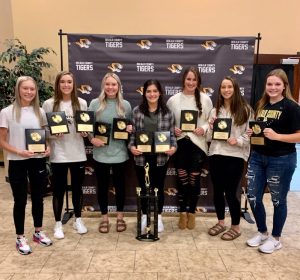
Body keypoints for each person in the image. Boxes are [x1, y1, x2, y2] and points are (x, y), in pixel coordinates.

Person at [246, 68, 300, 253]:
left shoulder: (292, 107)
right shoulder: (262, 105)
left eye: (277, 84)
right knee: (253, 196)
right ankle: (262, 232)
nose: (273, 87)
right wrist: (252, 133)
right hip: (257, 157)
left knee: (278, 200)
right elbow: (261, 130)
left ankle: (276, 238)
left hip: (281, 159)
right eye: (270, 84)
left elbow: (299, 136)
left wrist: (278, 136)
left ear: (284, 86)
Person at [0, 76, 52, 255]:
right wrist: (18, 152)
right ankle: (20, 237)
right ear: (18, 90)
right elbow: (2, 141)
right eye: (25, 88)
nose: (29, 92)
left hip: (37, 159)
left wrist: (48, 147)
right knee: (20, 200)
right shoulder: (6, 112)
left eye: (32, 89)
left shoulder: (40, 112)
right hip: (17, 161)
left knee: (38, 197)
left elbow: (45, 135)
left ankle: (38, 232)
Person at [42, 71, 88, 239]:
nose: (66, 85)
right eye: (63, 82)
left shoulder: (81, 103)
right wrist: (54, 134)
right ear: (58, 84)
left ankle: (78, 219)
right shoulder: (49, 104)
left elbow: (86, 126)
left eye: (69, 82)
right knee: (59, 190)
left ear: (73, 84)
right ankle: (58, 224)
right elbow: (44, 129)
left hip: (78, 153)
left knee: (77, 189)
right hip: (58, 154)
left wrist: (86, 133)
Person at [167, 66, 213, 230]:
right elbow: (167, 122)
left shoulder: (206, 99)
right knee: (182, 180)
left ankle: (192, 213)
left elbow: (210, 121)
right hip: (180, 144)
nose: (191, 82)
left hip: (197, 145)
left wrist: (204, 128)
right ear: (183, 80)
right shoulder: (173, 100)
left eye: (194, 79)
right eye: (188, 79)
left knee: (194, 181)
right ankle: (182, 213)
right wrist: (173, 129)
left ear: (198, 81)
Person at [207, 76, 253, 240]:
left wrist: (238, 140)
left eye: (229, 87)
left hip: (234, 156)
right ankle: (221, 222)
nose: (226, 90)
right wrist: (210, 127)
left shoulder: (246, 110)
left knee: (231, 193)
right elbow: (208, 137)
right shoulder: (215, 110)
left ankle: (236, 226)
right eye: (223, 87)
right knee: (218, 192)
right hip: (216, 154)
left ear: (235, 89)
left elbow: (250, 135)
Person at [128, 79, 177, 233]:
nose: (152, 94)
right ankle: (144, 216)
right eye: (148, 91)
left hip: (161, 157)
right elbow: (132, 135)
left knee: (158, 188)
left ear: (160, 93)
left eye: (155, 91)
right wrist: (131, 147)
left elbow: (172, 136)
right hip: (141, 157)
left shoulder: (168, 113)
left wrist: (174, 147)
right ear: (144, 93)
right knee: (143, 188)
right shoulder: (136, 111)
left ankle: (158, 217)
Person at [88, 72, 132, 233]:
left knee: (120, 187)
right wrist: (92, 140)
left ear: (119, 86)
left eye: (114, 84)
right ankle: (104, 218)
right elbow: (86, 127)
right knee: (102, 187)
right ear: (103, 86)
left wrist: (130, 129)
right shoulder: (94, 104)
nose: (110, 87)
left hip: (120, 153)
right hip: (100, 154)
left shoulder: (125, 105)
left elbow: (131, 127)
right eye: (108, 84)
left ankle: (120, 217)